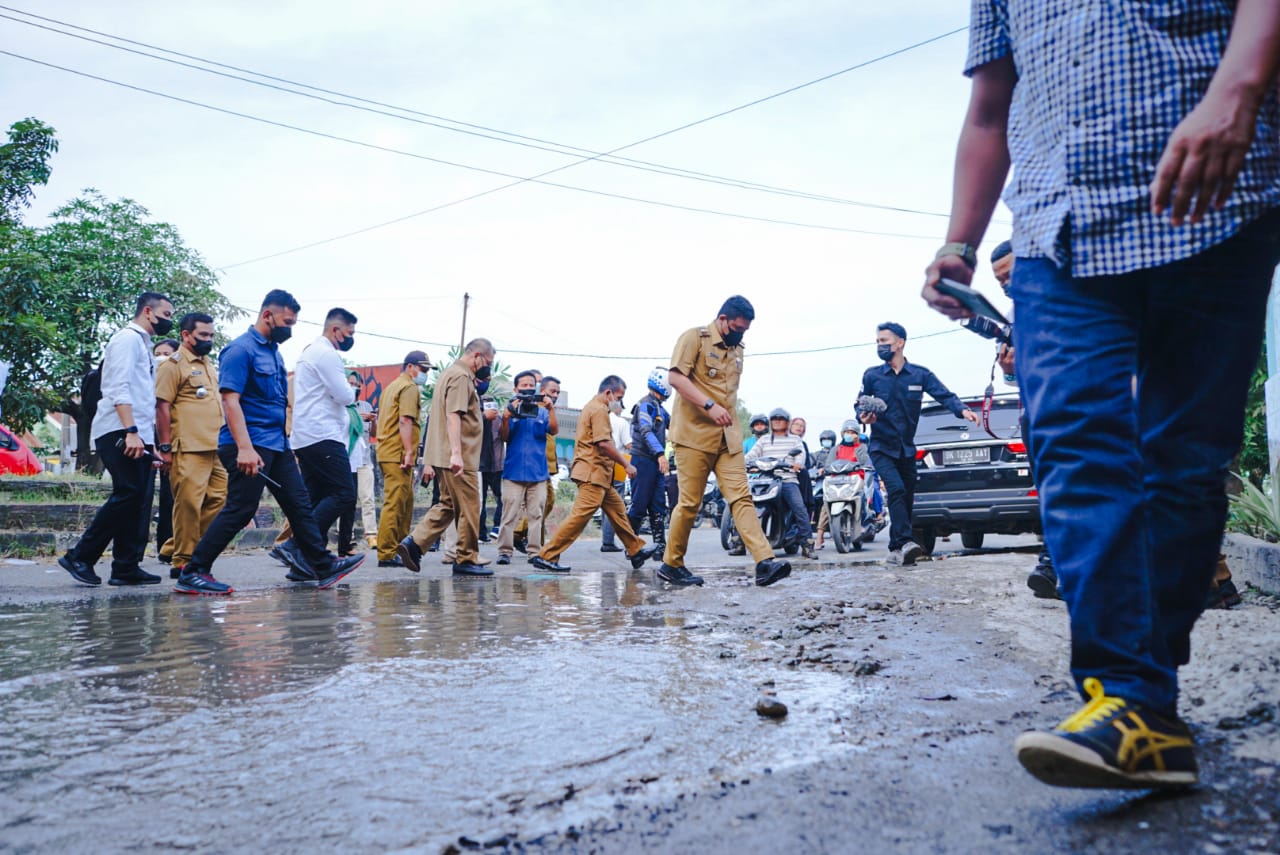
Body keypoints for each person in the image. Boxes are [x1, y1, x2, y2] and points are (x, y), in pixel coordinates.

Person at [923, 0, 1280, 789]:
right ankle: (1129, 694)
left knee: (1183, 461)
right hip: (1060, 228)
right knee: (1074, 443)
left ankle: (1147, 686)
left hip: (1215, 193)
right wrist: (960, 240)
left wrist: (1240, 89)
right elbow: (990, 107)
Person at [175, 290, 364, 594]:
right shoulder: (240, 350)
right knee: (240, 508)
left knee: (300, 505)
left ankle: (321, 564)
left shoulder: (274, 352)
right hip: (249, 444)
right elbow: (230, 401)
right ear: (267, 315)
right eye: (286, 321)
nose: (289, 328)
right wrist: (245, 449)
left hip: (277, 444)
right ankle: (194, 570)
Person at [658, 296, 791, 588]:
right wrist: (708, 406)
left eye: (744, 330)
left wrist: (724, 414)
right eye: (737, 328)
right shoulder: (694, 338)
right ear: (722, 319)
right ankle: (672, 564)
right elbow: (676, 379)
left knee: (742, 498)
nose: (740, 334)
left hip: (727, 437)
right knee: (690, 503)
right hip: (693, 435)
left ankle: (764, 562)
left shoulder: (738, 349)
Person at [58, 292, 174, 587]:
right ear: (148, 311)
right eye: (166, 315)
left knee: (139, 498)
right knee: (129, 493)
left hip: (136, 432)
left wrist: (148, 443)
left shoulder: (143, 344)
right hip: (120, 430)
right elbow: (117, 387)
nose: (168, 321)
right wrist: (131, 432)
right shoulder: (126, 339)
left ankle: (125, 567)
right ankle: (80, 556)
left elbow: (141, 396)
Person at [859, 322, 978, 566]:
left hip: (906, 447)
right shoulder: (872, 375)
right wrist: (864, 417)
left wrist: (963, 410)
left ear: (899, 342)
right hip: (881, 446)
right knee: (896, 489)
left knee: (907, 496)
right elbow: (860, 404)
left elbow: (943, 394)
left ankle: (895, 549)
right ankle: (905, 542)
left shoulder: (919, 374)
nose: (880, 346)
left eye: (884, 341)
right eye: (878, 342)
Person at [530, 376, 660, 573]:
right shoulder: (599, 410)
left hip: (600, 475)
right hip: (593, 473)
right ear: (608, 393)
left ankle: (635, 550)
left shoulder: (594, 407)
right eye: (618, 397)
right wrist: (626, 464)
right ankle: (546, 555)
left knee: (618, 512)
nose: (619, 402)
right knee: (579, 517)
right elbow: (604, 444)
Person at [396, 338, 495, 576]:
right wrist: (458, 454)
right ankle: (466, 557)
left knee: (449, 503)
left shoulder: (450, 374)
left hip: (445, 453)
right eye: (488, 362)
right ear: (477, 356)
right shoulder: (461, 377)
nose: (488, 367)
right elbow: (454, 415)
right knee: (470, 505)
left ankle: (415, 544)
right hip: (458, 455)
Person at [154, 312, 226, 579]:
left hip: (214, 444)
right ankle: (182, 561)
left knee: (221, 500)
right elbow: (161, 406)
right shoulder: (172, 365)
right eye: (202, 335)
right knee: (188, 504)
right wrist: (165, 448)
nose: (208, 340)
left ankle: (173, 546)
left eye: (211, 335)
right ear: (186, 335)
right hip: (188, 446)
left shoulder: (208, 364)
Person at [288, 307, 359, 560]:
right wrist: (352, 393)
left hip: (307, 435)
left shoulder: (309, 351)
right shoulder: (326, 354)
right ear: (335, 330)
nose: (351, 338)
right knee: (344, 494)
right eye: (349, 333)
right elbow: (344, 395)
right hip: (322, 434)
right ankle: (295, 545)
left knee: (316, 498)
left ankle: (304, 562)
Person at [495, 370, 558, 565]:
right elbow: (504, 437)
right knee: (508, 515)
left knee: (536, 515)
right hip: (513, 472)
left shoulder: (542, 411)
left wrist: (551, 409)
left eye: (532, 385)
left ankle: (534, 553)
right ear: (516, 389)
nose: (529, 388)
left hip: (538, 473)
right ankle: (504, 552)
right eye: (524, 385)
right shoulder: (511, 411)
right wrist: (505, 418)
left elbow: (554, 430)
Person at [375, 351, 431, 566]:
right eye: (422, 369)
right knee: (396, 503)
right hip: (398, 452)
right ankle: (387, 553)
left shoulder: (391, 387)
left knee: (404, 502)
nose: (424, 374)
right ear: (410, 367)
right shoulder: (408, 387)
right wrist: (409, 451)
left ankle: (398, 547)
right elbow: (405, 420)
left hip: (388, 450)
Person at [745, 408, 815, 559]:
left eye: (781, 418)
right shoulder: (763, 440)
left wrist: (798, 463)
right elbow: (751, 455)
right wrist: (742, 462)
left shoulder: (795, 440)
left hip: (788, 480)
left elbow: (801, 454)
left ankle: (807, 544)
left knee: (800, 508)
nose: (777, 420)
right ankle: (739, 542)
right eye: (774, 418)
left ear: (787, 422)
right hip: (765, 480)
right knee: (746, 506)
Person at [514, 374, 561, 553]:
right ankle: (517, 533)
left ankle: (535, 543)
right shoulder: (536, 410)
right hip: (539, 465)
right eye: (551, 391)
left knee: (542, 504)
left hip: (547, 465)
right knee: (547, 501)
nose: (555, 395)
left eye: (557, 392)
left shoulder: (548, 410)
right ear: (541, 391)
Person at [626, 367, 672, 548]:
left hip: (655, 463)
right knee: (639, 506)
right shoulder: (645, 405)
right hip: (643, 460)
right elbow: (646, 430)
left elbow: (674, 425)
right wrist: (660, 453)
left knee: (658, 506)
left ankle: (660, 547)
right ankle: (632, 547)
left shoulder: (660, 407)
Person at [337, 371, 376, 556]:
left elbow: (372, 433)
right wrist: (360, 417)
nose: (354, 386)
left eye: (357, 384)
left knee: (366, 498)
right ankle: (345, 537)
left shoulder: (365, 405)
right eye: (350, 383)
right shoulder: (340, 404)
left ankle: (370, 534)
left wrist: (373, 420)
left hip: (363, 457)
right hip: (345, 457)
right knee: (345, 498)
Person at [150, 338, 179, 564]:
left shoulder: (176, 375)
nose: (160, 356)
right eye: (157, 352)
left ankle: (167, 546)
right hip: (147, 432)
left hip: (171, 435)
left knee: (171, 495)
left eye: (166, 353)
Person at [598, 396, 632, 553]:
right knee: (615, 504)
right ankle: (608, 542)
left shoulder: (600, 419)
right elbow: (628, 444)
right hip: (618, 464)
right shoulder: (621, 422)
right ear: (617, 407)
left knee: (605, 503)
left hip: (600, 464)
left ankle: (607, 539)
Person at [478, 395, 505, 543]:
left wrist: (503, 418)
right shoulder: (477, 421)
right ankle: (481, 533)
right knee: (479, 501)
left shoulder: (499, 421)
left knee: (503, 498)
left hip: (497, 466)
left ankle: (497, 527)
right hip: (480, 466)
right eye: (485, 405)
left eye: (491, 405)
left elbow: (506, 436)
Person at [811, 428, 837, 550]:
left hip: (836, 481)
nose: (826, 442)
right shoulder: (816, 454)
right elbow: (809, 465)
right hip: (820, 482)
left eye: (828, 440)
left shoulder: (837, 452)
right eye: (824, 440)